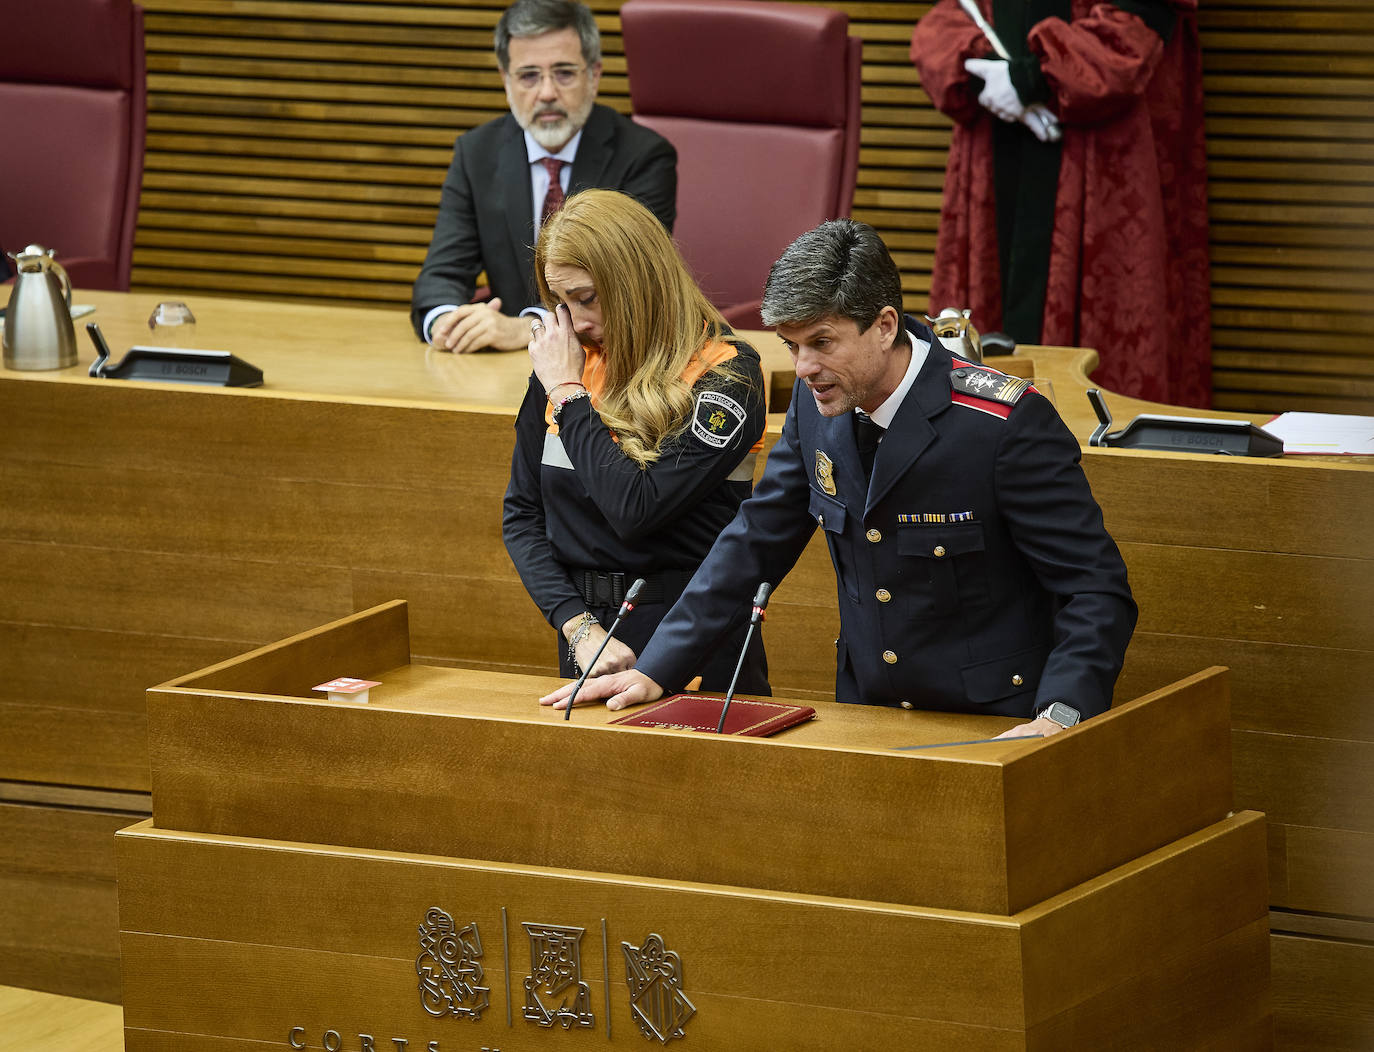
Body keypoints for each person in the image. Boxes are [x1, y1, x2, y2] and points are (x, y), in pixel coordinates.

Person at [543, 219, 1137, 738]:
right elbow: (754, 543)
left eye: (821, 343)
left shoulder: (1001, 424)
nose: (803, 369)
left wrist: (1060, 714)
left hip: (996, 723)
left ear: (883, 325)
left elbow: (1094, 588)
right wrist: (654, 669)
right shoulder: (817, 404)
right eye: (791, 346)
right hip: (866, 714)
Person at [503, 189, 769, 692]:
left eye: (587, 298)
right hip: (590, 639)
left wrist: (567, 394)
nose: (575, 322)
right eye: (561, 303)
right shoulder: (568, 364)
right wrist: (578, 628)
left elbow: (636, 508)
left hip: (691, 632)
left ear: (638, 281)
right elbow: (522, 515)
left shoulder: (726, 374)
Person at [910, 0, 1211, 407]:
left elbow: (1135, 27)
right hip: (994, 135)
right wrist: (988, 74)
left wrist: (1030, 80)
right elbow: (951, 19)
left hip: (1101, 143)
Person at [410, 0, 677, 353]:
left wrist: (532, 326)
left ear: (594, 76)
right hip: (505, 368)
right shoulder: (477, 153)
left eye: (564, 73)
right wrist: (450, 323)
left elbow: (634, 286)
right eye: (529, 76)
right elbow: (440, 277)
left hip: (606, 362)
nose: (547, 92)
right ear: (506, 80)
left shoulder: (643, 156)